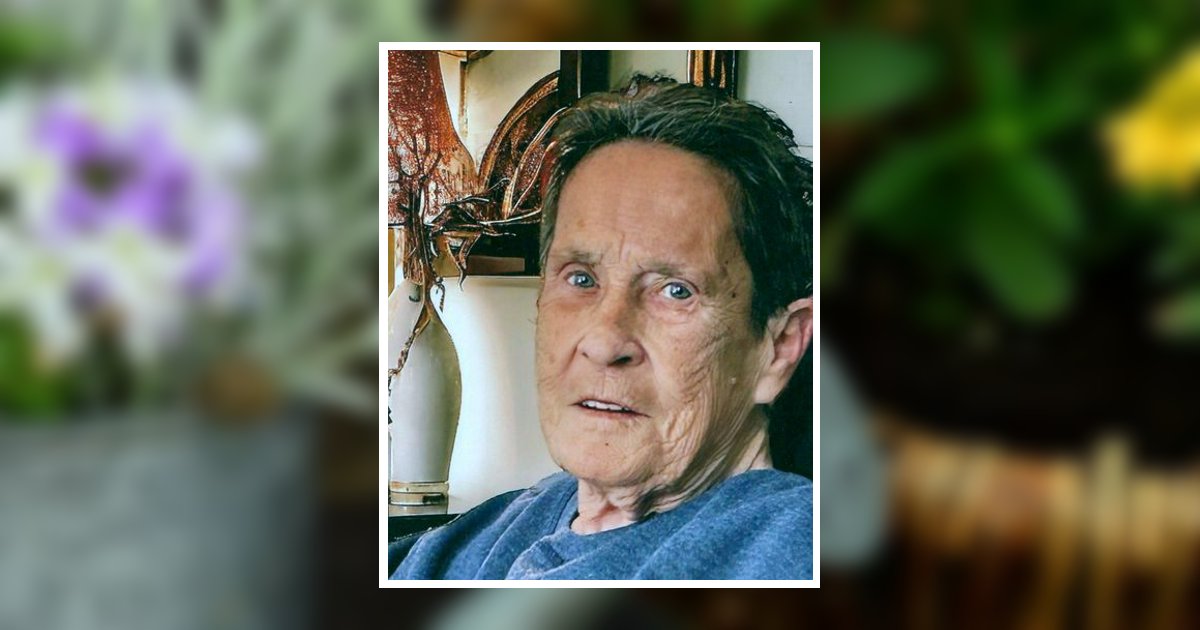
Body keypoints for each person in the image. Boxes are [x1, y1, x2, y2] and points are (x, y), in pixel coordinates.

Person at [390, 75, 814, 580]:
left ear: (779, 347)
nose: (604, 341)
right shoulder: (508, 521)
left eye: (675, 290)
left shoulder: (793, 547)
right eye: (582, 279)